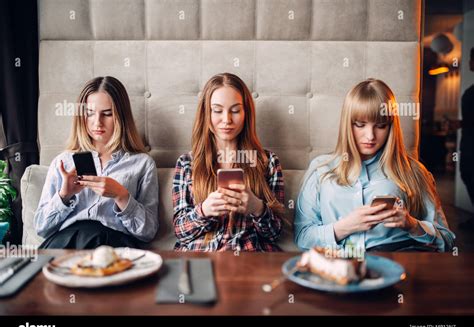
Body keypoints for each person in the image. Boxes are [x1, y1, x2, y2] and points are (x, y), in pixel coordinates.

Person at [294, 78, 455, 252]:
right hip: (343, 262)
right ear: (348, 124)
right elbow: (303, 237)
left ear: (391, 127)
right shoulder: (321, 170)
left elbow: (447, 241)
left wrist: (412, 225)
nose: (370, 136)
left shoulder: (414, 171)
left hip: (401, 260)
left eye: (380, 126)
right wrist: (346, 226)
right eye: (360, 125)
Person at [35, 76, 159, 249]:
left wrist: (121, 196)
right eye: (90, 113)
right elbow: (41, 228)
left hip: (112, 244)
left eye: (107, 114)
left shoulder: (142, 164)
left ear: (121, 117)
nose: (97, 122)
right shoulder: (63, 162)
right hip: (66, 243)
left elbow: (148, 232)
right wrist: (64, 196)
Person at [173, 73, 285, 251]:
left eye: (235, 110)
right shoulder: (187, 163)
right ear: (206, 113)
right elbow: (180, 231)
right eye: (217, 110)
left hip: (249, 257)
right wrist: (204, 211)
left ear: (246, 113)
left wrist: (257, 207)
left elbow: (276, 233)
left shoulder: (267, 161)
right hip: (202, 255)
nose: (227, 120)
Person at [459, 47, 474, 230]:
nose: (469, 62)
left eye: (471, 58)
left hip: (471, 146)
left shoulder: (471, 94)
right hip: (469, 143)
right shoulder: (470, 92)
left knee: (469, 175)